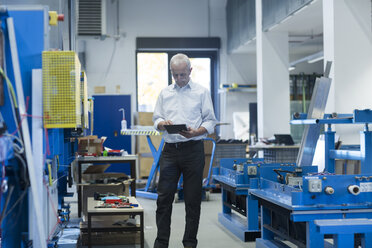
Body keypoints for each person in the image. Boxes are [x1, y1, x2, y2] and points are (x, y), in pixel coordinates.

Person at [153, 53, 217, 248]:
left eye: (183, 74)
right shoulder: (165, 93)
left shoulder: (201, 92)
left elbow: (211, 121)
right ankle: (161, 243)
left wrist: (197, 131)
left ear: (190, 71)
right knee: (164, 199)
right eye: (175, 75)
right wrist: (162, 123)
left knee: (192, 200)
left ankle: (190, 243)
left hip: (193, 150)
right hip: (170, 151)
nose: (179, 79)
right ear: (171, 73)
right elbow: (156, 119)